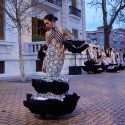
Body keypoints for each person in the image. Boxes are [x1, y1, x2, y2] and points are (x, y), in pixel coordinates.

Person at [42, 14, 76, 79]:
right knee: (49, 74)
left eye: (47, 23)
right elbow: (46, 45)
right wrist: (44, 59)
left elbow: (73, 38)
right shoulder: (47, 33)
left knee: (55, 73)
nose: (46, 25)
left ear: (52, 21)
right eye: (45, 24)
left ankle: (55, 87)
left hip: (59, 54)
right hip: (49, 55)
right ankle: (51, 88)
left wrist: (64, 47)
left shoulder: (63, 29)